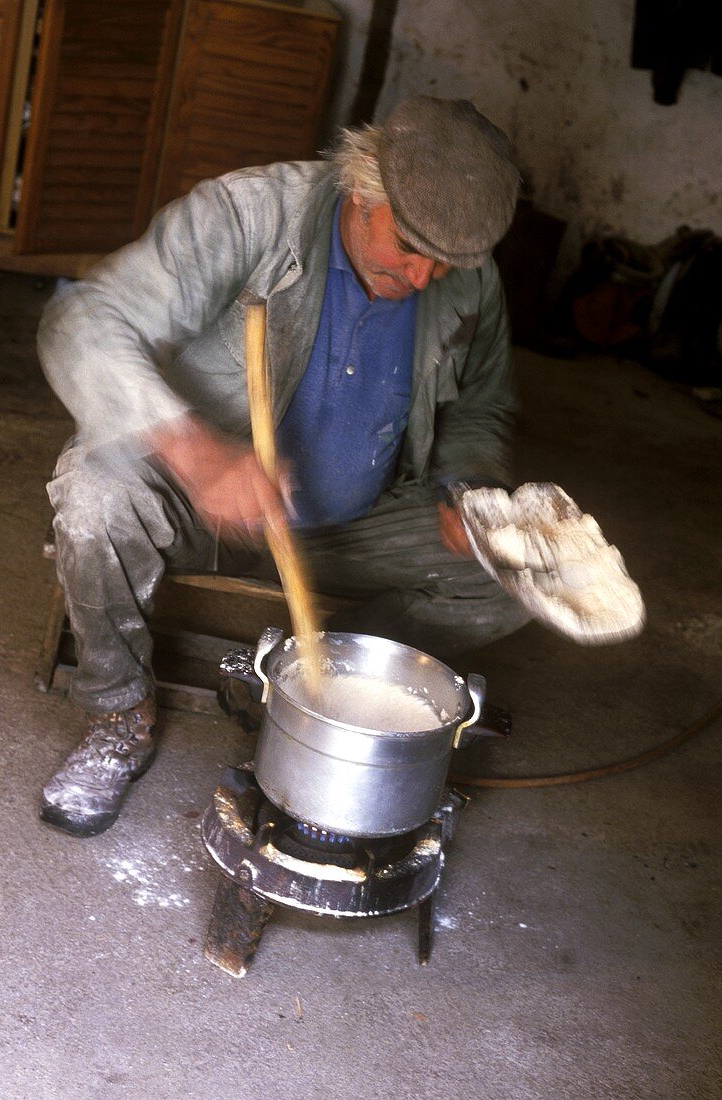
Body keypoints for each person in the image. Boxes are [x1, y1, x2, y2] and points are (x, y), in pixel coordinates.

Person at [37, 95, 530, 838]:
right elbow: (82, 319)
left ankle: (300, 681)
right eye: (411, 245)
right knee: (95, 499)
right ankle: (117, 713)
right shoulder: (249, 214)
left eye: (449, 261)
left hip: (352, 525)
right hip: (205, 505)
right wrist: (198, 455)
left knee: (518, 576)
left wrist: (466, 484)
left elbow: (481, 404)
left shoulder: (466, 279)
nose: (427, 276)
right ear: (364, 191)